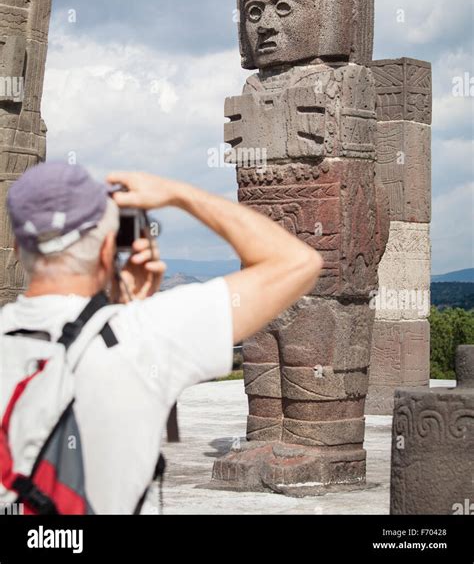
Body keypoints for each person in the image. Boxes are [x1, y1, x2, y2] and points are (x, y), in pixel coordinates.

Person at [0, 161, 322, 513]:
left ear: (17, 248)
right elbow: (298, 261)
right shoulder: (146, 334)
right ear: (108, 247)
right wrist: (176, 194)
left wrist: (116, 308)